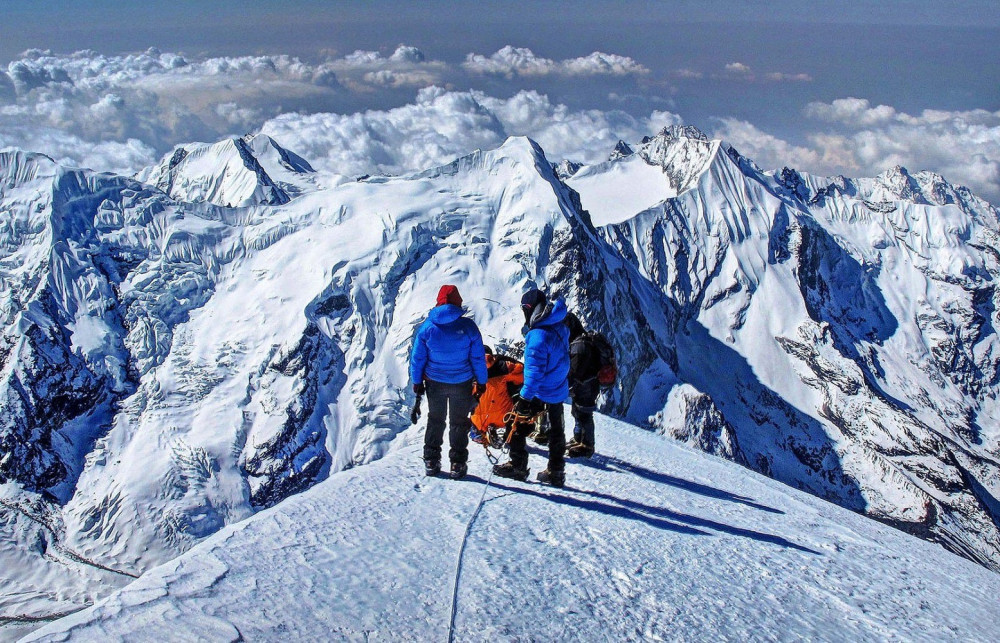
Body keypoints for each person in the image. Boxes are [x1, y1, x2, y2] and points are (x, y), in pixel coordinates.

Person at [494, 289, 570, 487]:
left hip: (541, 389)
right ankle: (556, 471)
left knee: (515, 422)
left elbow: (534, 374)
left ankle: (518, 466)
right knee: (556, 430)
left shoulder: (537, 337)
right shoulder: (559, 325)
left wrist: (524, 399)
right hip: (558, 386)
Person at [410, 285, 488, 479]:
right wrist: (482, 381)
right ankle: (458, 463)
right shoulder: (468, 327)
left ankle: (431, 460)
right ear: (457, 302)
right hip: (461, 382)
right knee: (459, 423)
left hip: (434, 383)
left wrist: (417, 381)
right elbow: (478, 358)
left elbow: (418, 358)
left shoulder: (427, 328)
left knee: (435, 420)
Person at [469, 347, 524, 448]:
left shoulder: (469, 368)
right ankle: (502, 431)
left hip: (479, 419)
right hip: (504, 415)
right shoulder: (503, 366)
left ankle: (477, 431)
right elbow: (523, 374)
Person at [565, 313, 600, 458]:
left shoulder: (579, 345)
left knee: (584, 414)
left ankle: (586, 445)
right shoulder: (581, 341)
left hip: (585, 386)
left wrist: (567, 383)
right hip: (588, 385)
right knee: (578, 412)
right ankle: (578, 439)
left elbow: (576, 371)